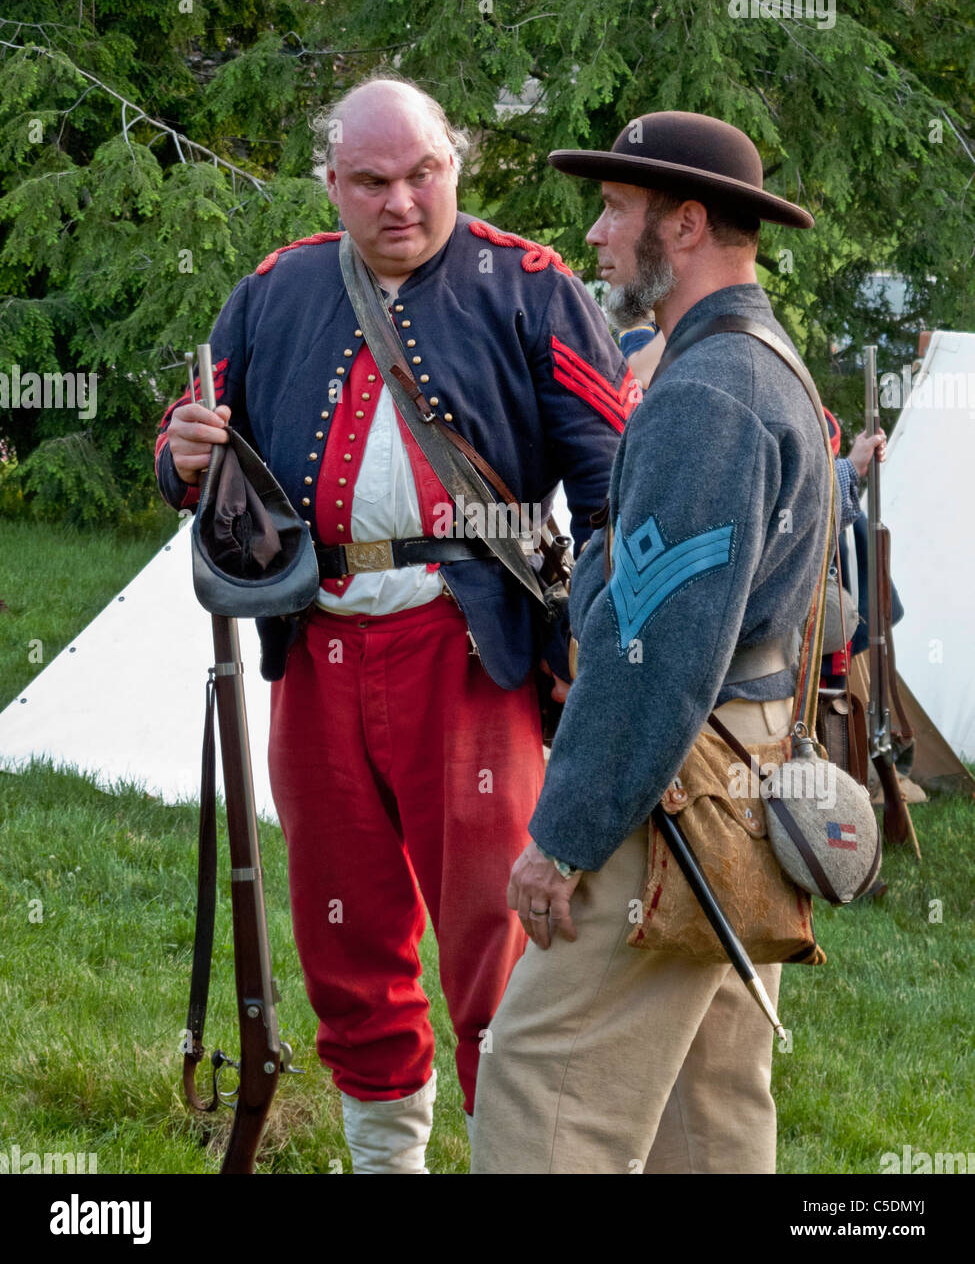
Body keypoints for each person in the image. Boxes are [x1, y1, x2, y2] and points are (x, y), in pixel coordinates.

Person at [154, 75, 638, 1173]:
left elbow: (619, 482)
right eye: (371, 181)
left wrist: (597, 655)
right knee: (345, 932)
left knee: (494, 933)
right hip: (313, 648)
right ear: (333, 183)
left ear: (455, 164)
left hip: (466, 652)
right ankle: (386, 1163)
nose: (402, 202)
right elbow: (189, 451)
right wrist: (180, 453)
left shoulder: (528, 286)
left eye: (424, 173)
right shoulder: (272, 291)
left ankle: (514, 1151)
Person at [471, 109, 830, 1175]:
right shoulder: (760, 364)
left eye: (616, 209)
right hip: (732, 776)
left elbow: (651, 651)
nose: (595, 234)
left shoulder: (711, 393)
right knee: (704, 1115)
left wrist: (567, 839)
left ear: (683, 224)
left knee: (543, 1086)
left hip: (675, 784)